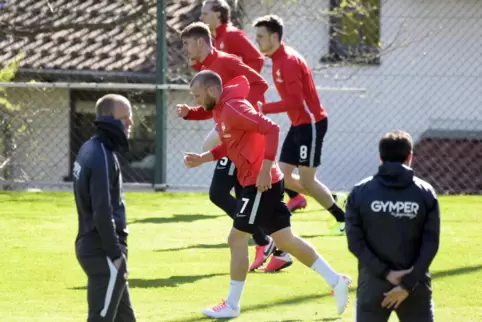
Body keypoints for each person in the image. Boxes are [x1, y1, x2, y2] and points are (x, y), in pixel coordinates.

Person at [183, 70, 351, 319]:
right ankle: (336, 280)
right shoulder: (221, 109)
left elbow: (271, 129)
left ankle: (232, 304)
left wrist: (264, 170)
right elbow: (231, 144)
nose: (196, 101)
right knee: (285, 241)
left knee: (236, 238)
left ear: (211, 90)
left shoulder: (234, 107)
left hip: (259, 184)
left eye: (197, 95)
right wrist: (203, 159)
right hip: (263, 182)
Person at [177, 21, 293, 272]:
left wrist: (239, 115)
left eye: (186, 43)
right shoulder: (206, 68)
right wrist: (190, 113)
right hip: (233, 137)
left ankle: (266, 242)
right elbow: (213, 110)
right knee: (241, 193)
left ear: (199, 42)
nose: (184, 49)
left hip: (239, 136)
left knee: (221, 193)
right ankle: (275, 248)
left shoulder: (225, 61)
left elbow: (259, 85)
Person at [198, 0, 309, 213]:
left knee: (226, 152)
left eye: (205, 13)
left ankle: (263, 211)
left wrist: (242, 91)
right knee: (241, 155)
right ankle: (281, 200)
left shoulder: (233, 35)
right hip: (232, 109)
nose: (202, 17)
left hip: (243, 108)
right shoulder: (217, 40)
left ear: (219, 15)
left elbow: (256, 59)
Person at [252, 15, 346, 235]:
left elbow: (296, 101)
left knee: (307, 180)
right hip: (298, 125)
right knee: (282, 176)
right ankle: (334, 199)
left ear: (274, 37)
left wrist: (264, 109)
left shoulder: (289, 61)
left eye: (261, 37)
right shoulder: (277, 59)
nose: (257, 41)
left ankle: (344, 218)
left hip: (310, 124)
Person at [345, 130, 440, 322]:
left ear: (380, 157)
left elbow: (355, 243)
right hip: (415, 286)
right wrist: (407, 284)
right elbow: (431, 243)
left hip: (373, 285)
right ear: (410, 157)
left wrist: (386, 274)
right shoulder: (425, 192)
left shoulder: (360, 192)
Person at [72, 94, 136, 322]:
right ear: (109, 119)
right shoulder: (100, 156)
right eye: (125, 117)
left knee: (125, 318)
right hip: (103, 252)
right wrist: (116, 255)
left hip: (96, 247)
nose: (130, 123)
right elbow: (102, 211)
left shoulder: (91, 148)